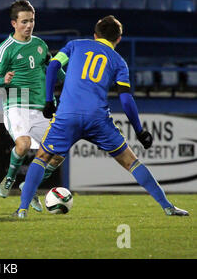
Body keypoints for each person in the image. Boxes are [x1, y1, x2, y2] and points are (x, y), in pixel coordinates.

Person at [14, 15, 189, 218]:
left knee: (42, 157)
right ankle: (167, 207)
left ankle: (22, 210)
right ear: (119, 39)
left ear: (95, 35)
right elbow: (126, 100)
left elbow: (53, 66)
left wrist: (47, 101)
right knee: (131, 162)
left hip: (67, 115)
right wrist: (139, 131)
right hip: (97, 118)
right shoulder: (119, 62)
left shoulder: (75, 45)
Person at [0, 0, 66, 211]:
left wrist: (72, 80)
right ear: (14, 23)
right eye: (24, 21)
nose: (28, 25)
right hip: (17, 105)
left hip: (42, 108)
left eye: (32, 21)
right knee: (23, 144)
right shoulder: (5, 50)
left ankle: (28, 186)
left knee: (58, 155)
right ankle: (9, 179)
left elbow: (53, 69)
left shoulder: (40, 45)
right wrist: (4, 81)